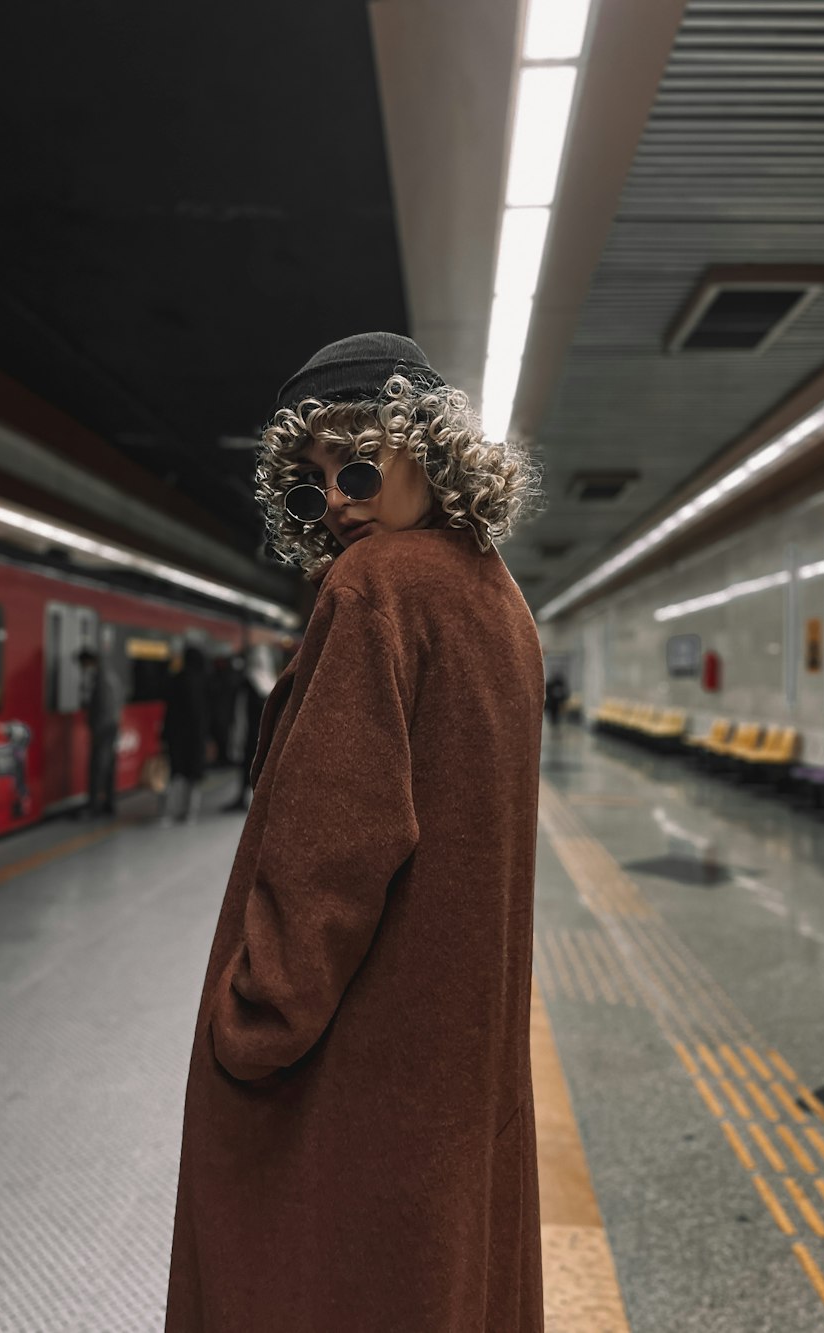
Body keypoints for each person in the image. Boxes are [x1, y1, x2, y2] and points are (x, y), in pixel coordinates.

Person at [165, 332, 546, 1332]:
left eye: (359, 464)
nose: (335, 499)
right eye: (310, 486)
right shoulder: (499, 600)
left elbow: (331, 848)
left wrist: (253, 1026)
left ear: (431, 450)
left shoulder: (373, 587)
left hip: (357, 1077)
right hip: (453, 1058)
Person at [219, 641, 279, 813]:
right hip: (266, 734)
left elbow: (241, 711)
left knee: (248, 765)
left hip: (250, 734)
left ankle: (245, 797)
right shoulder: (271, 682)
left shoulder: (248, 683)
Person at [161, 645, 211, 823]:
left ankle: (169, 813)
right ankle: (190, 813)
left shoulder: (176, 679)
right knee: (194, 776)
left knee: (176, 774)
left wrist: (164, 735)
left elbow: (169, 711)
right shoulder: (204, 680)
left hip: (177, 735)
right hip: (196, 736)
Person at [77, 647, 123, 816]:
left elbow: (102, 706)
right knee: (109, 767)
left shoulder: (100, 679)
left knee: (97, 767)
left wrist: (95, 727)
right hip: (112, 727)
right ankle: (109, 804)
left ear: (88, 662)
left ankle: (94, 806)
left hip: (103, 729)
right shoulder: (110, 674)